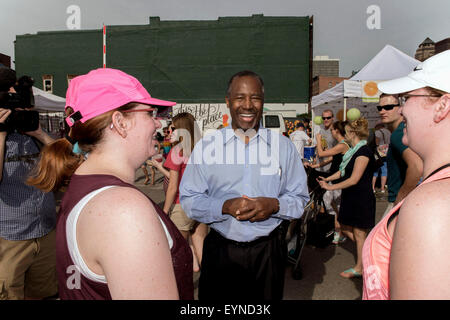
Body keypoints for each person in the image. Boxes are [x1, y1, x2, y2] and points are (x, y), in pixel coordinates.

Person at [27, 68, 193, 300]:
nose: (157, 123)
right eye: (151, 112)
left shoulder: (88, 185)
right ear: (120, 122)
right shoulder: (122, 209)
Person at [179, 70, 309, 300]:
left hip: (268, 252)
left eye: (255, 97)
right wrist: (224, 206)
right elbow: (189, 200)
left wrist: (275, 205)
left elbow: (300, 199)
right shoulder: (207, 146)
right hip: (220, 250)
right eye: (240, 98)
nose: (247, 105)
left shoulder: (283, 147)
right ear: (228, 102)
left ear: (263, 102)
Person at [363, 50, 450, 300]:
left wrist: (401, 204)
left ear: (442, 106)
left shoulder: (432, 205)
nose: (403, 110)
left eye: (406, 98)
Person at [0, 68, 57, 300]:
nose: (14, 93)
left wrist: (40, 134)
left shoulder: (29, 126)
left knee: (45, 295)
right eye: (7, 89)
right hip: (10, 238)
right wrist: (1, 134)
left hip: (45, 231)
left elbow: (63, 164)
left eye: (16, 88)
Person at [318, 118, 375, 278]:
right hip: (352, 197)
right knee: (345, 227)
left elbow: (354, 179)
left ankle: (362, 266)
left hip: (361, 198)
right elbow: (343, 172)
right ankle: (369, 253)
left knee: (359, 233)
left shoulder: (363, 152)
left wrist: (330, 186)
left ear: (353, 133)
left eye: (347, 131)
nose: (345, 134)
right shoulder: (354, 151)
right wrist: (327, 179)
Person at [151, 112, 208, 273]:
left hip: (181, 205)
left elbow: (173, 186)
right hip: (202, 203)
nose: (170, 132)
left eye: (173, 128)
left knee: (178, 254)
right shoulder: (202, 149)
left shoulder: (178, 151)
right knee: (202, 250)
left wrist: (165, 210)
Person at [376, 93, 423, 216]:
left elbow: (417, 167)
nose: (382, 111)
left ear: (401, 108)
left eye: (388, 107)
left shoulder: (399, 134)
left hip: (401, 202)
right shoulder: (404, 130)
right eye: (380, 108)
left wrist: (399, 199)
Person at [308, 120, 350, 245]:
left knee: (335, 207)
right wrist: (316, 165)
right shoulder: (340, 144)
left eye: (332, 129)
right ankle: (335, 230)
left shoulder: (343, 144)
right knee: (330, 204)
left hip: (339, 179)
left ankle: (339, 232)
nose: (330, 132)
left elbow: (321, 153)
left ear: (337, 131)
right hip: (333, 178)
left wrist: (318, 139)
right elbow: (331, 158)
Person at [314, 109, 337, 173]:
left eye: (328, 118)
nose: (326, 120)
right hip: (319, 167)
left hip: (330, 168)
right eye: (324, 118)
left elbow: (336, 153)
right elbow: (319, 146)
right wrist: (315, 159)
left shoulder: (335, 132)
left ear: (332, 118)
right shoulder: (321, 131)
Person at [372, 123, 390, 193]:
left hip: (379, 153)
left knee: (376, 170)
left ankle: (372, 188)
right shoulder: (388, 131)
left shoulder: (377, 132)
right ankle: (382, 188)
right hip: (386, 152)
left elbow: (377, 142)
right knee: (384, 170)